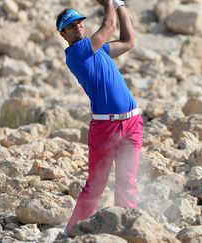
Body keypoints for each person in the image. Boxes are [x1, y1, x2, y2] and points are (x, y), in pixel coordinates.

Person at [56, 0, 143, 235]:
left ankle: (125, 231)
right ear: (63, 34)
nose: (77, 27)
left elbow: (129, 41)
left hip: (133, 122)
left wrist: (121, 5)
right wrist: (108, 4)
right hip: (106, 127)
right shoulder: (77, 53)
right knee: (96, 185)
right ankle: (72, 233)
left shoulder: (98, 49)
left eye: (79, 22)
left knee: (128, 182)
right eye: (70, 26)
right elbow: (109, 25)